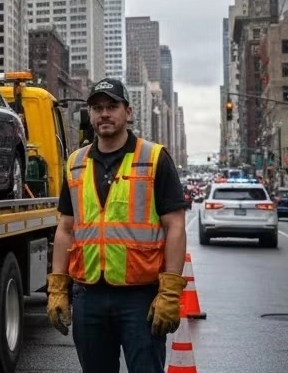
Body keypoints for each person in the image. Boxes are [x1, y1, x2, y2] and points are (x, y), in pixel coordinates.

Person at [46, 77, 189, 373]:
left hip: (139, 296)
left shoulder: (154, 158)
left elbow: (174, 226)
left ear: (129, 112)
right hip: (88, 296)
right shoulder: (75, 163)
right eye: (97, 108)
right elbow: (66, 228)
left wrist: (170, 291)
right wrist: (58, 287)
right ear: (90, 115)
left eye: (112, 106)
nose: (104, 114)